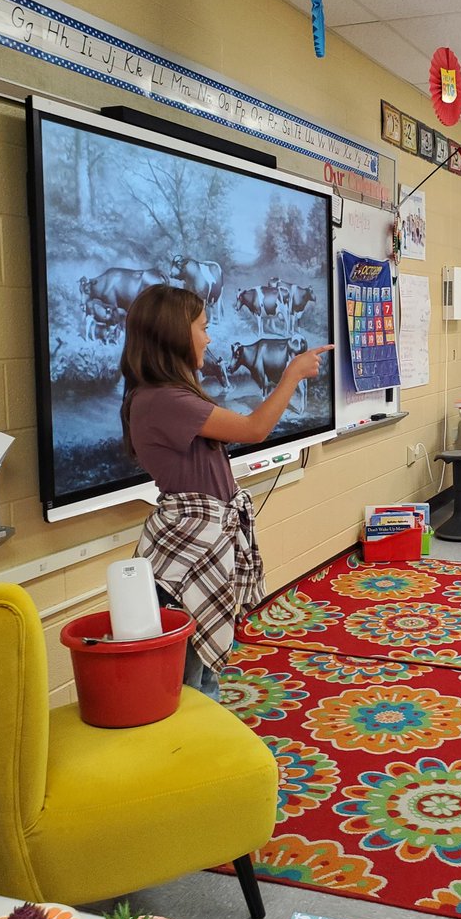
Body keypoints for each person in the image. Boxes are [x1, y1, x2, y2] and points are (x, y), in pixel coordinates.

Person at [120, 283, 333, 698]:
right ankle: (198, 750)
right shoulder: (162, 400)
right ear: (174, 335)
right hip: (189, 549)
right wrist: (290, 374)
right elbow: (255, 429)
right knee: (188, 678)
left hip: (203, 542)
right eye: (202, 327)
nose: (209, 337)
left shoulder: (170, 395)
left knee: (202, 669)